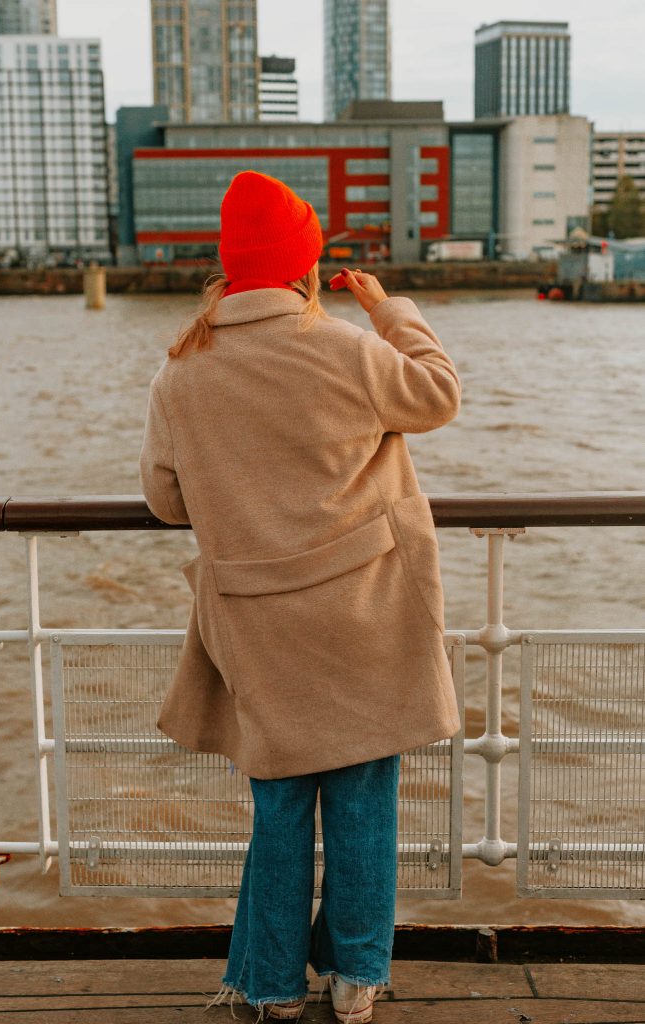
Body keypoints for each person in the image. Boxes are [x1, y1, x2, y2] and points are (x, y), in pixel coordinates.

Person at [139, 170, 462, 1023]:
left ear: (227, 270)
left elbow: (169, 502)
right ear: (305, 270)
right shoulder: (348, 348)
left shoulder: (181, 372)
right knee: (362, 800)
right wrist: (388, 310)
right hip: (363, 612)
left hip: (256, 623)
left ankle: (272, 985)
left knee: (279, 806)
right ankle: (355, 982)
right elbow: (438, 395)